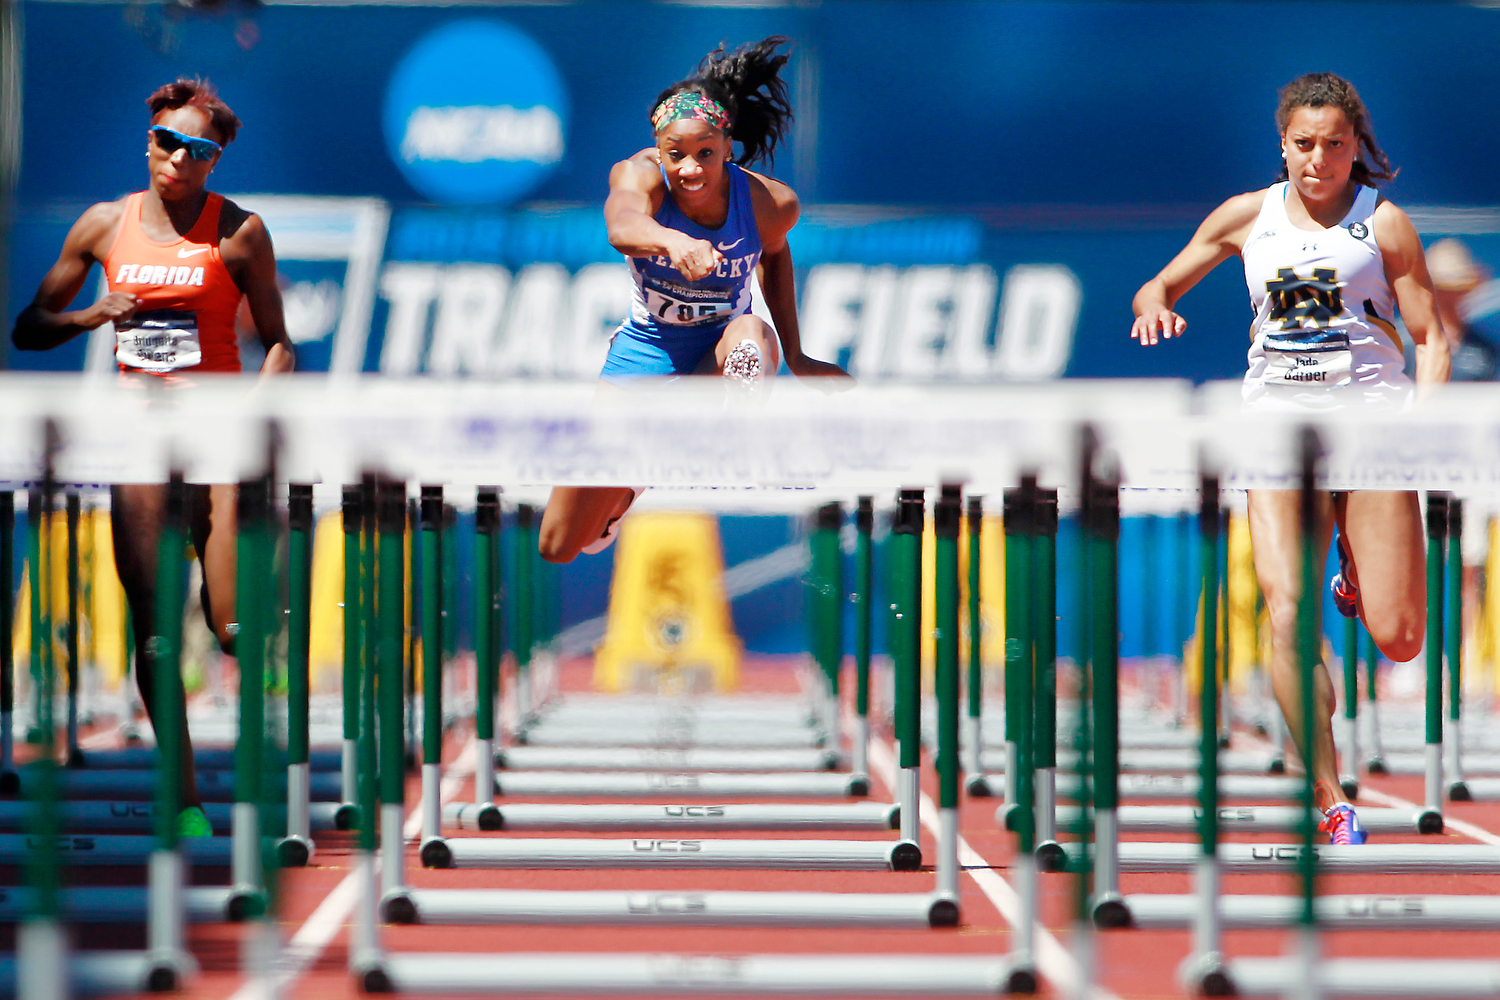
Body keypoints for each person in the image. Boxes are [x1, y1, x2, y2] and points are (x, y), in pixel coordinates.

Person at [1130, 72, 1449, 844]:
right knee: (1288, 615)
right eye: (1304, 145)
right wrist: (1155, 307)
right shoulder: (1248, 217)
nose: (1318, 160)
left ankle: (1353, 557)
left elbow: (1432, 338)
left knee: (1402, 636)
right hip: (1273, 430)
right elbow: (1158, 283)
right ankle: (1331, 794)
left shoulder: (1386, 226)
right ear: (1283, 145)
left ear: (1354, 149)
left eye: (1334, 146)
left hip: (1369, 431)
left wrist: (1423, 426)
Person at [12, 77, 294, 836]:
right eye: (168, 141)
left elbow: (279, 343)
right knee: (154, 629)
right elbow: (28, 327)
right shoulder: (105, 226)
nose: (178, 158)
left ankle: (237, 629)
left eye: (197, 150)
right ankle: (185, 796)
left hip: (218, 438)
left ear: (216, 160)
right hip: (139, 439)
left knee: (233, 628)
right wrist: (91, 314)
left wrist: (254, 417)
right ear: (149, 143)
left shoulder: (239, 232)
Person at [537, 36, 851, 565]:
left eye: (705, 153)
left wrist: (796, 356)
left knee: (751, 337)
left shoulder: (770, 203)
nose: (689, 169)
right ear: (657, 149)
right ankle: (636, 479)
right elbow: (622, 225)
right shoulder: (638, 175)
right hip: (647, 351)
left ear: (727, 146)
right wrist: (673, 241)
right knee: (560, 545)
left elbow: (774, 257)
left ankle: (726, 436)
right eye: (675, 154)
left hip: (723, 349)